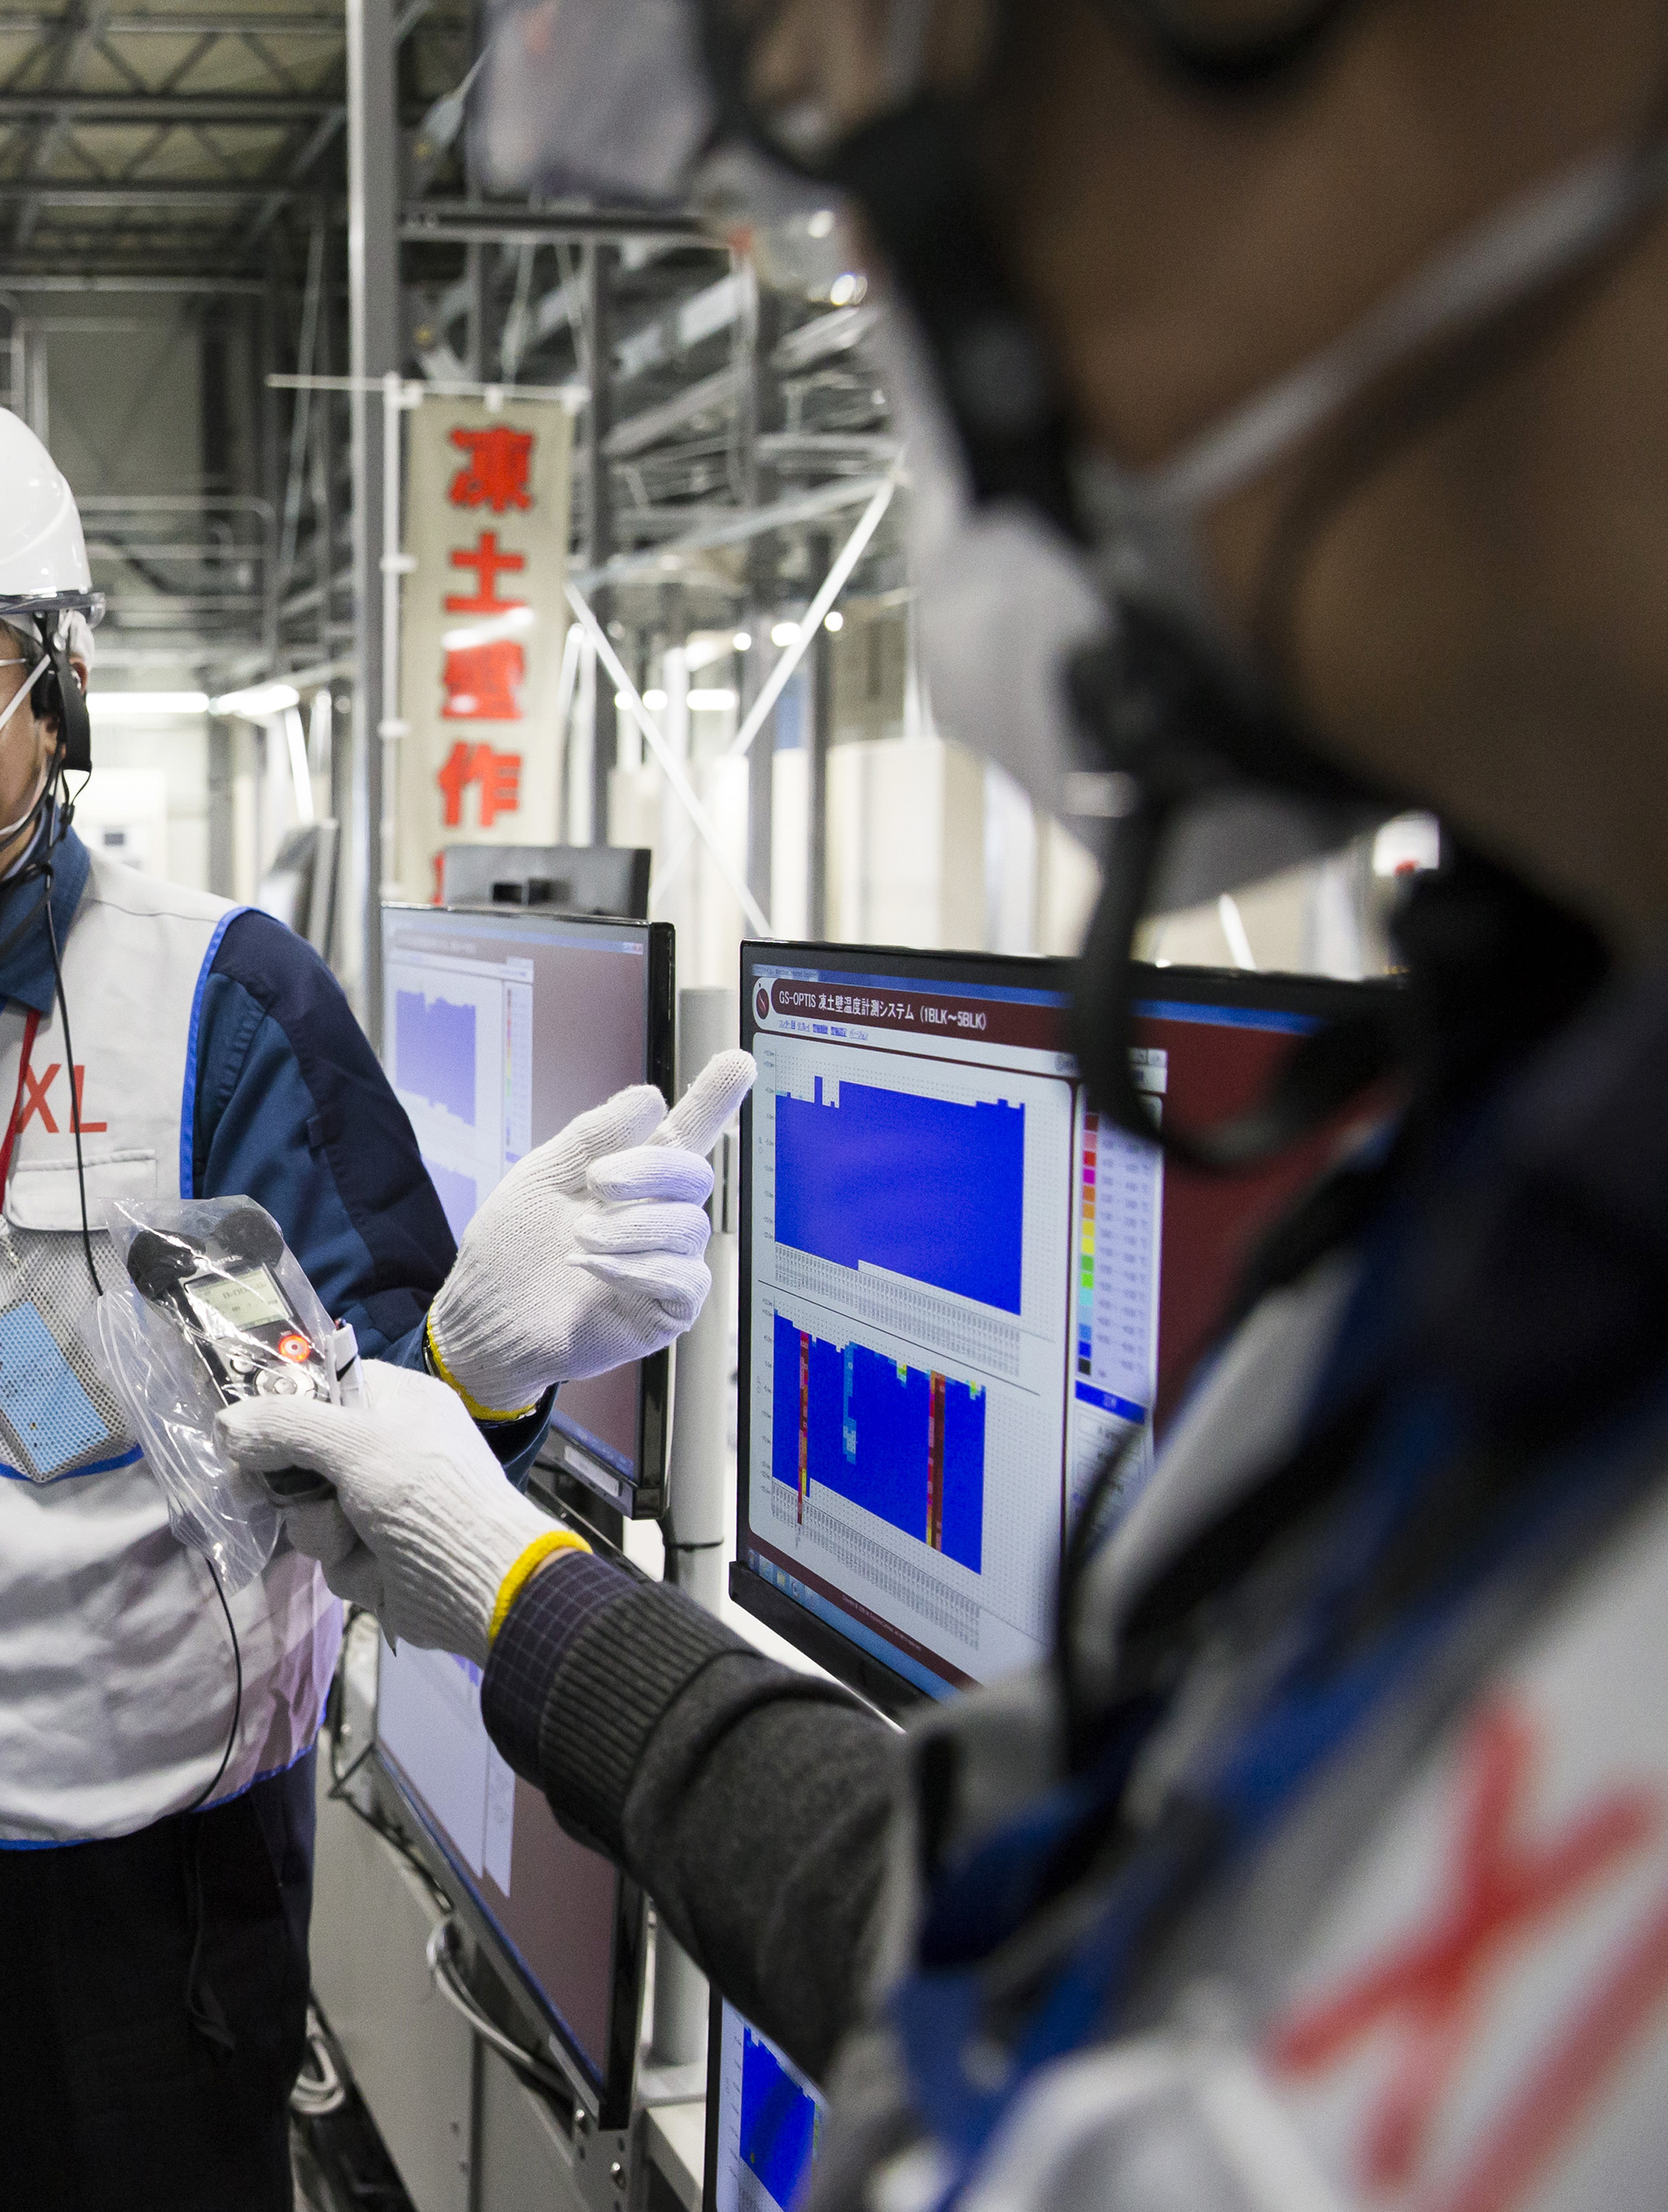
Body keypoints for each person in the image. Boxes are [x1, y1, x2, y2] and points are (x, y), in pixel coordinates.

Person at [226, 4, 1668, 2209]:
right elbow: (1048, 1936)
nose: (899, 298)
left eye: (912, 143)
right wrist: (508, 1572)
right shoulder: (1494, 1240)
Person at [0, 372, 733, 2210]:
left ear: (51, 689)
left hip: (137, 1908)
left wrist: (487, 1368)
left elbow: (378, 1455)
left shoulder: (212, 995)